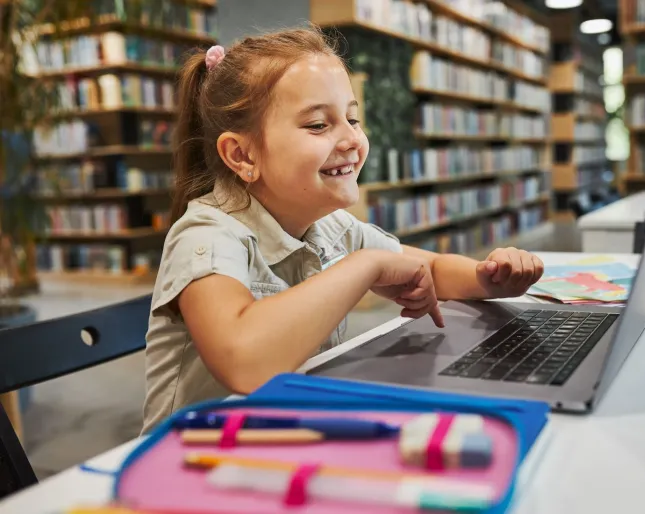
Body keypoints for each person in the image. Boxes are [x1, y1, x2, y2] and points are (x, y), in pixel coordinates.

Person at [142, 26, 545, 433]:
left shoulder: (329, 226)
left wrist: (489, 279)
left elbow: (432, 270)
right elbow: (244, 361)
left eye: (352, 118)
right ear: (242, 154)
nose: (352, 138)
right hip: (191, 457)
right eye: (319, 125)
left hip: (283, 435)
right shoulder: (206, 234)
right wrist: (365, 266)